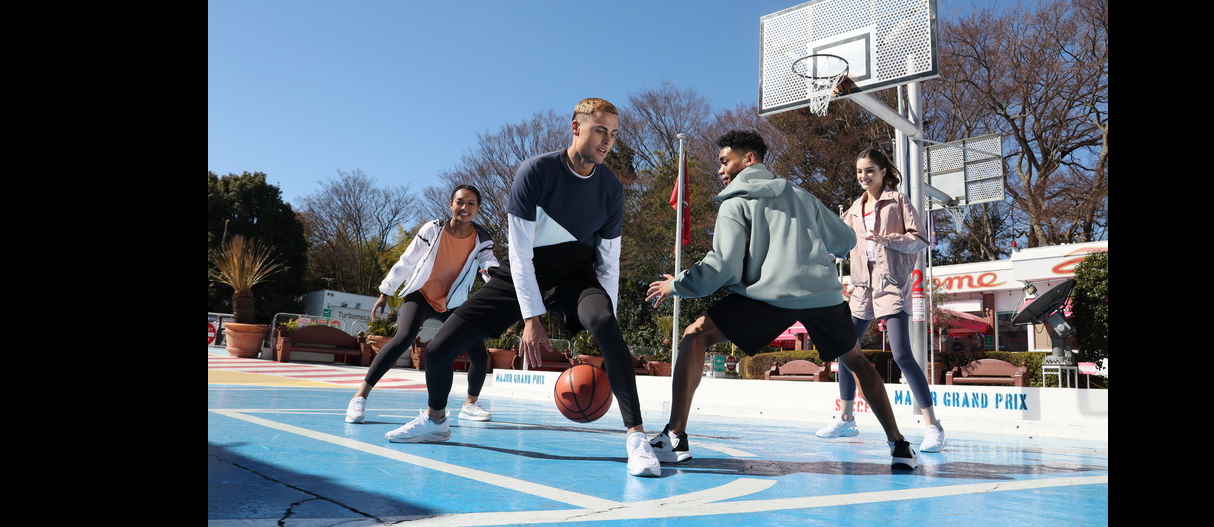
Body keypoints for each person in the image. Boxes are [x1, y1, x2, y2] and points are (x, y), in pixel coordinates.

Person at [384, 98, 662, 478]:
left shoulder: (611, 190)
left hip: (575, 277)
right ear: (575, 127)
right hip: (522, 273)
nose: (607, 140)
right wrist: (531, 317)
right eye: (600, 129)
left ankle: (636, 438)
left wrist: (606, 322)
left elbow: (608, 263)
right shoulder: (535, 172)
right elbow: (518, 252)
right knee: (437, 351)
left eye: (613, 134)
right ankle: (436, 421)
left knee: (606, 323)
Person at [645, 130, 922, 470]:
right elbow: (845, 239)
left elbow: (721, 267)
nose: (720, 170)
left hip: (768, 296)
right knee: (856, 360)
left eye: (724, 161)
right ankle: (899, 445)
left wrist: (677, 285)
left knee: (694, 335)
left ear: (749, 159)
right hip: (821, 295)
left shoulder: (735, 203)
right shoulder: (801, 195)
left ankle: (675, 435)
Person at [814, 148, 945, 453]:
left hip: (891, 286)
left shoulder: (898, 201)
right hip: (861, 288)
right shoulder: (854, 209)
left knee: (902, 356)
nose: (864, 176)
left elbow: (921, 240)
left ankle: (933, 426)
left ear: (883, 171)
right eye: (860, 171)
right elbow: (837, 243)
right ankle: (847, 417)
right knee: (845, 350)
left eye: (870, 170)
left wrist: (889, 240)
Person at [346, 185, 500, 425]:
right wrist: (385, 292)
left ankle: (470, 403)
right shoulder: (433, 229)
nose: (465, 207)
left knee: (479, 354)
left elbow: (489, 263)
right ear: (451, 204)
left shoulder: (482, 238)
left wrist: (496, 280)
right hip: (422, 294)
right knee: (403, 337)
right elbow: (407, 260)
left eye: (471, 203)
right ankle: (360, 397)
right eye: (460, 202)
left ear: (478, 208)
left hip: (453, 301)